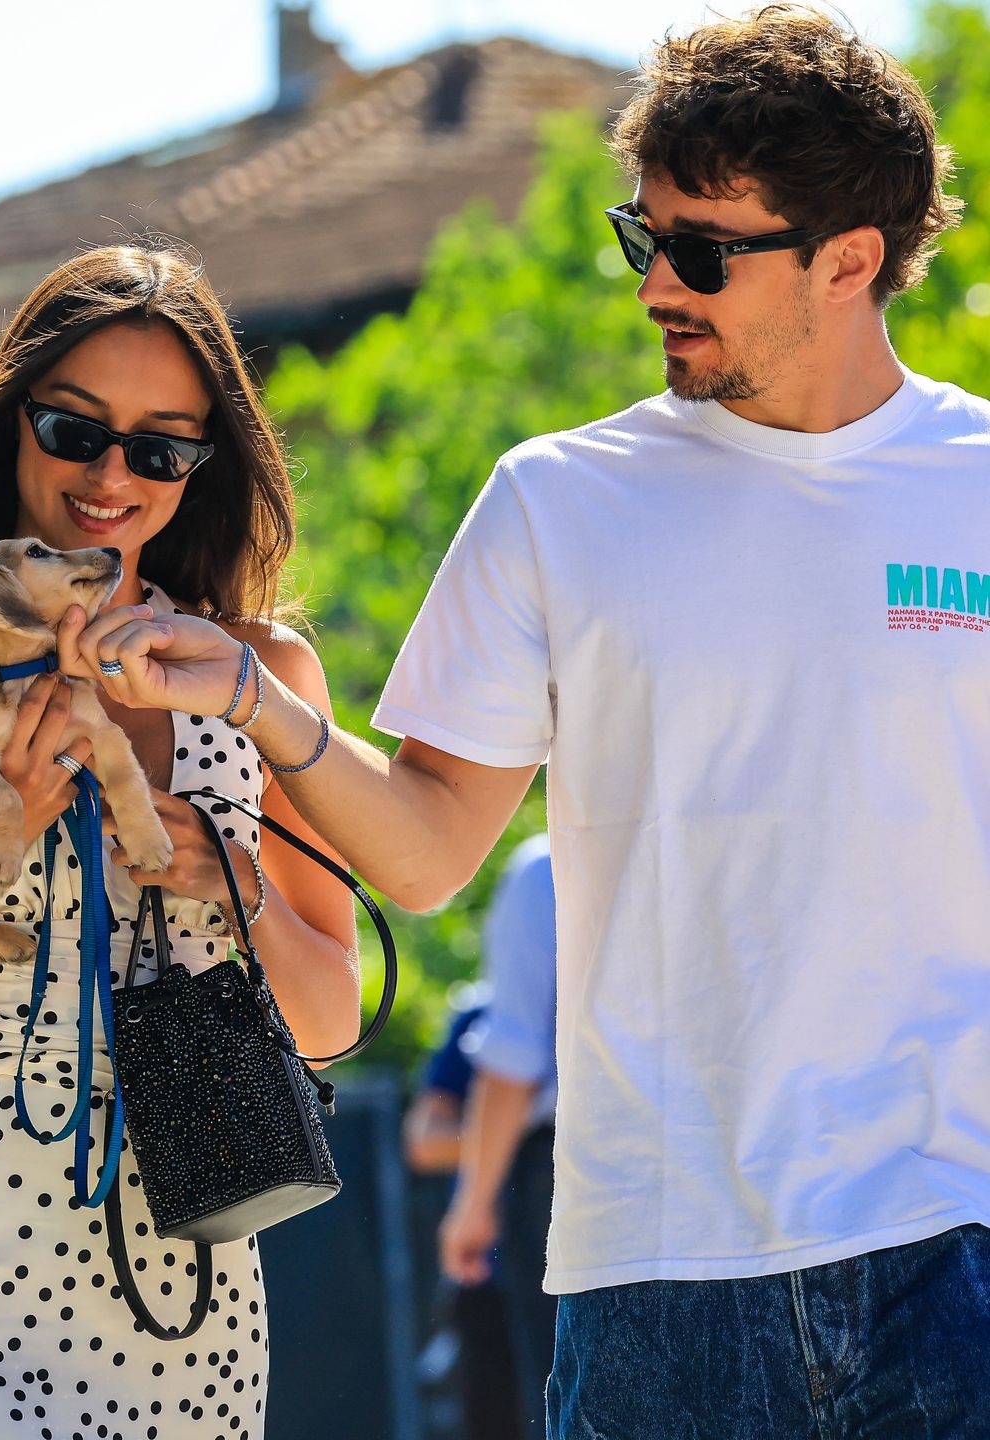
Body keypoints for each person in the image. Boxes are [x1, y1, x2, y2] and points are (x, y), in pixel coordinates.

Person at [52, 4, 990, 1433]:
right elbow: (426, 859)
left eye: (702, 251)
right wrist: (251, 696)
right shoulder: (559, 498)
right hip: (662, 1275)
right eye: (643, 235)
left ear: (851, 260)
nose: (653, 285)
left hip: (962, 1242)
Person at [0, 244, 359, 1440]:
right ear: (15, 425)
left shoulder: (260, 673)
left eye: (160, 448)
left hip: (196, 1281)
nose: (114, 475)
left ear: (199, 469)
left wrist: (237, 879)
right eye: (76, 431)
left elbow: (332, 1021)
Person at [437, 834, 557, 1435]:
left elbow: (513, 1057)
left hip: (574, 1171)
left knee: (570, 1391)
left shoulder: (548, 866)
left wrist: (473, 1204)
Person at [403, 989, 524, 1440]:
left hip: (601, 1277)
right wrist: (511, 1125)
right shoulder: (482, 1014)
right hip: (490, 1280)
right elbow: (424, 1140)